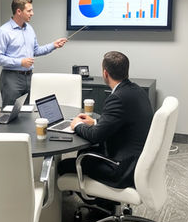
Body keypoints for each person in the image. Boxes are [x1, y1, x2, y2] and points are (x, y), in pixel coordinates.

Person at [57, 51, 153, 190]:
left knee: (63, 165)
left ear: (105, 73)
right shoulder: (137, 91)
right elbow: (121, 122)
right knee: (84, 153)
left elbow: (96, 136)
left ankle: (100, 200)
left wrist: (77, 125)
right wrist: (95, 123)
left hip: (121, 170)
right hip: (136, 162)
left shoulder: (117, 98)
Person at [0, 0, 68, 106]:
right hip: (11, 78)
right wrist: (20, 62)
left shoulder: (29, 29)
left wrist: (53, 45)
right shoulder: (3, 31)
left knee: (28, 111)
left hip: (29, 77)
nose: (32, 13)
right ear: (19, 11)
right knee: (10, 111)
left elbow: (36, 50)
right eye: (29, 11)